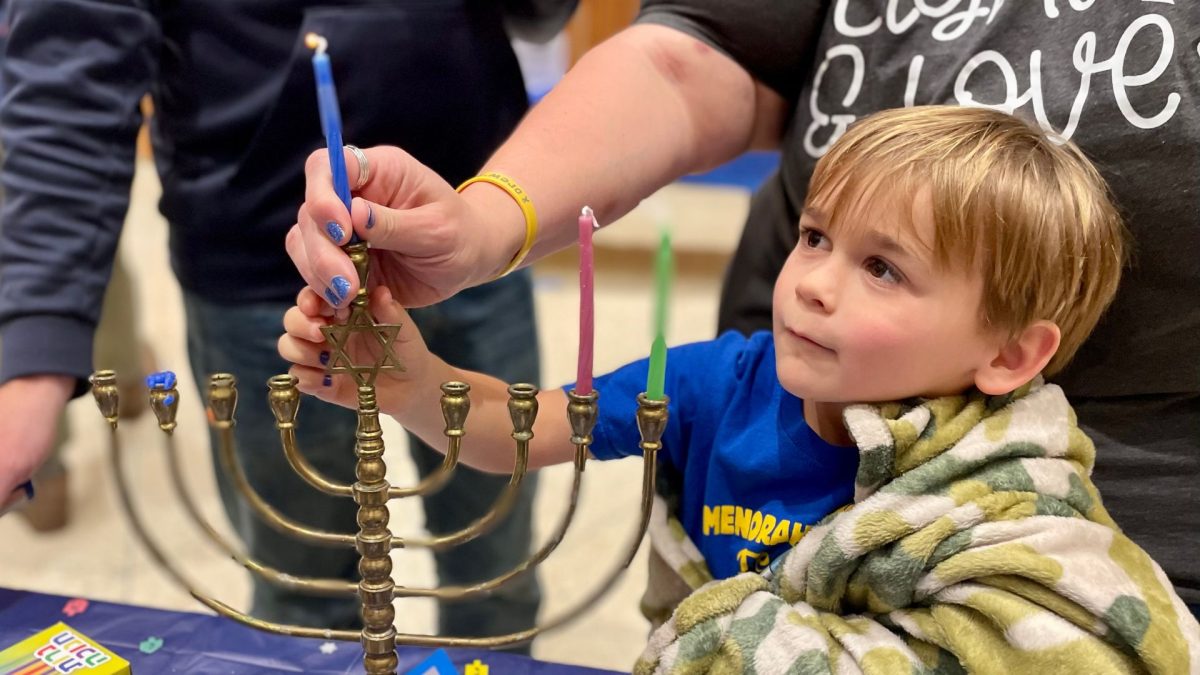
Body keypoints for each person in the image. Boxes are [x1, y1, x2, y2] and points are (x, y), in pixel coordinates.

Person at [290, 3, 1200, 620]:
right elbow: (511, 429)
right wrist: (406, 377)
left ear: (1010, 355)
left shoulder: (1010, 481)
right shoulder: (718, 381)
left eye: (882, 268)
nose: (812, 282)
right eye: (812, 237)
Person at [0, 0, 577, 645]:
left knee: (495, 582)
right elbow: (67, 90)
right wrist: (36, 355)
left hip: (475, 219)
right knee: (302, 607)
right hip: (259, 276)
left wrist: (487, 226)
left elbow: (542, 16)